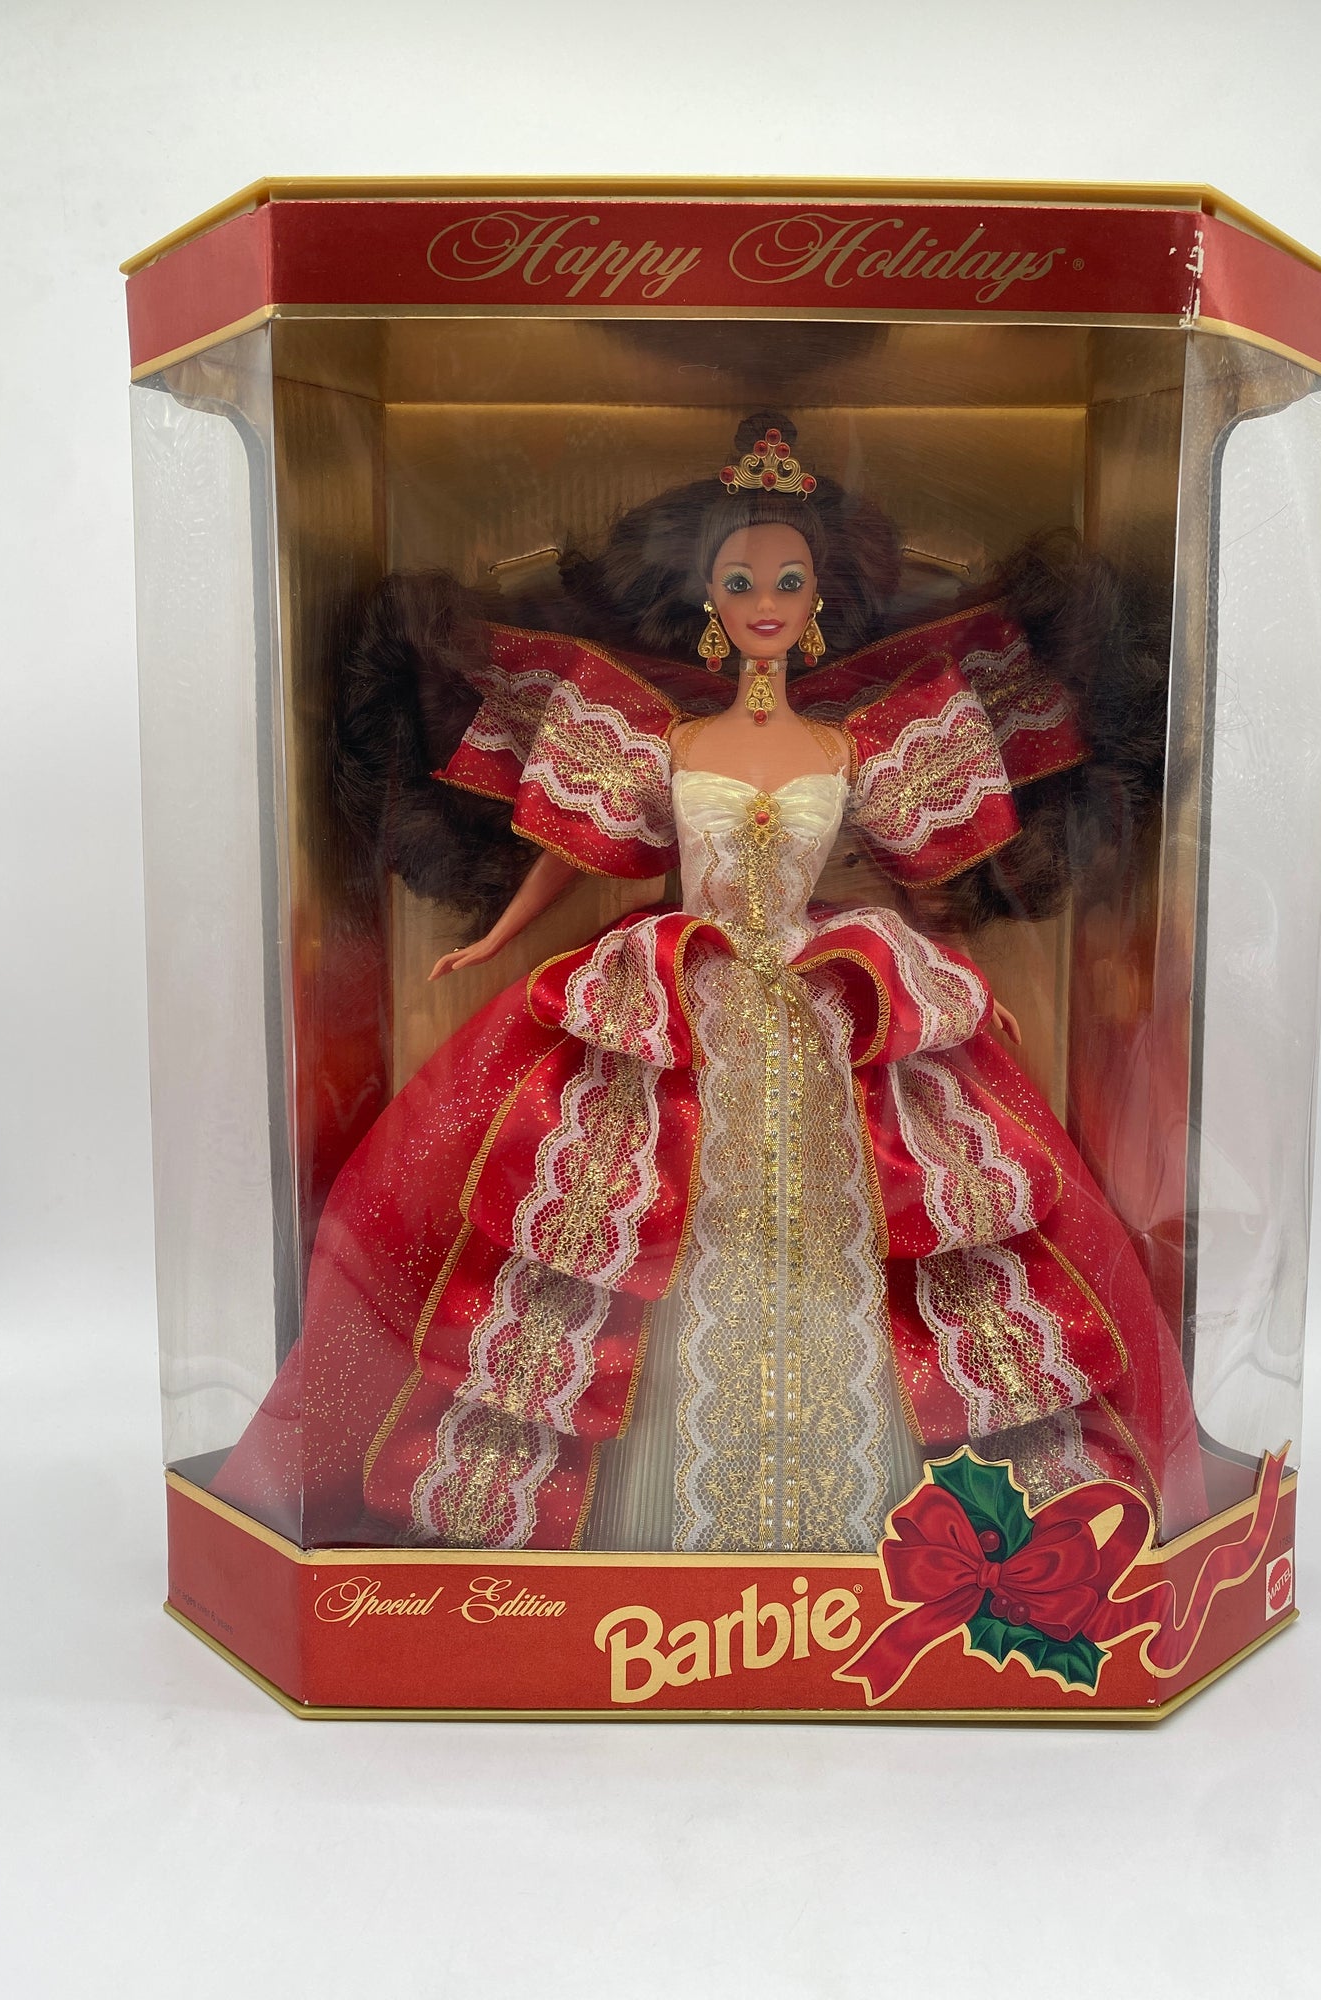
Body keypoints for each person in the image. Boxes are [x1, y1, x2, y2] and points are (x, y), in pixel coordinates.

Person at [211, 416, 1206, 1553]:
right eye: (741, 581)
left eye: (786, 580)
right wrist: (493, 942)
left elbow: (922, 880)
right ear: (709, 599)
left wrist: (967, 982)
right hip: (688, 995)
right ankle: (644, 1515)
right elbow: (573, 851)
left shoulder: (847, 749)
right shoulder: (673, 743)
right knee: (641, 1205)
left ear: (818, 597)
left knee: (868, 1218)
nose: (764, 602)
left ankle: (870, 1507)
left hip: (825, 999)